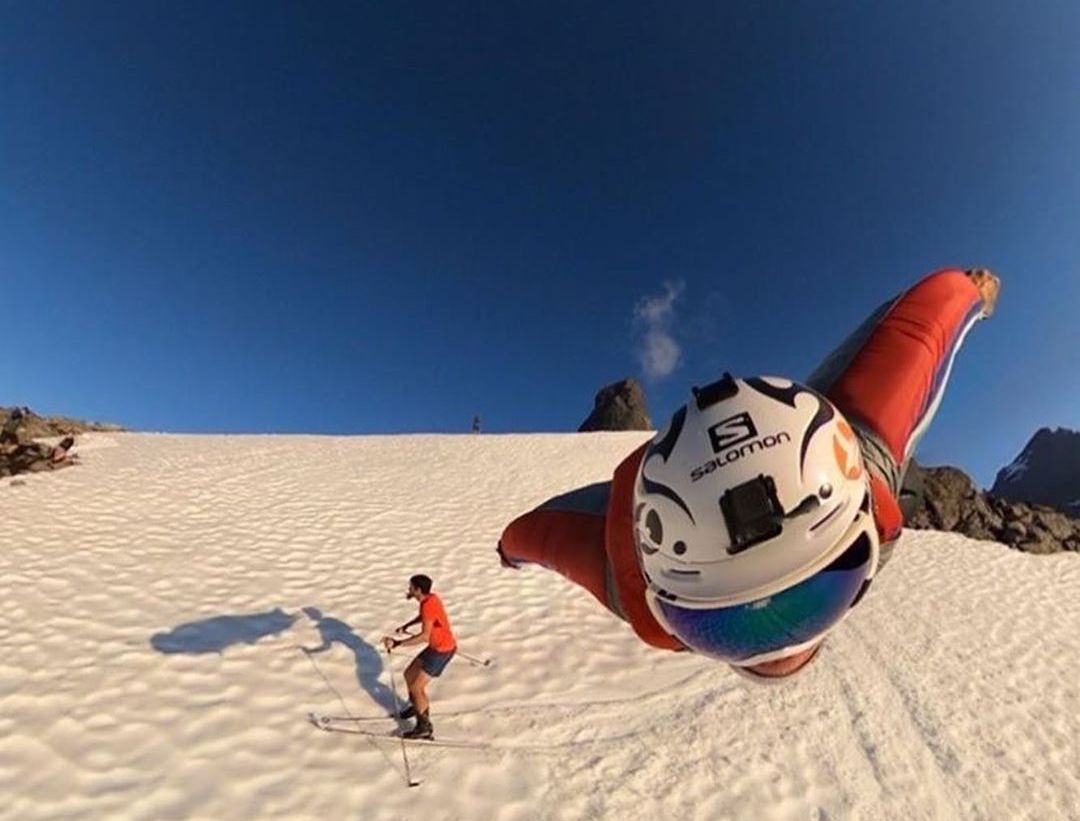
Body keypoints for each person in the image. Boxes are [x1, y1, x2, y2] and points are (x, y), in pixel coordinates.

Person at [497, 268, 1000, 683]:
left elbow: (922, 331)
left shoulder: (864, 456)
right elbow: (541, 536)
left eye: (722, 627)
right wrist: (510, 551)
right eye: (823, 595)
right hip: (674, 502)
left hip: (815, 444)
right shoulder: (626, 581)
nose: (774, 632)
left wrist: (971, 290)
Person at [382, 574, 457, 739]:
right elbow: (426, 617)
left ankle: (424, 727)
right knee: (409, 674)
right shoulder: (429, 600)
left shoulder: (428, 604)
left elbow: (424, 636)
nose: (409, 590)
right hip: (436, 647)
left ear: (418, 590)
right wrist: (407, 625)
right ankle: (417, 706)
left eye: (411, 587)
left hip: (442, 650)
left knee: (417, 687)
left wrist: (396, 643)